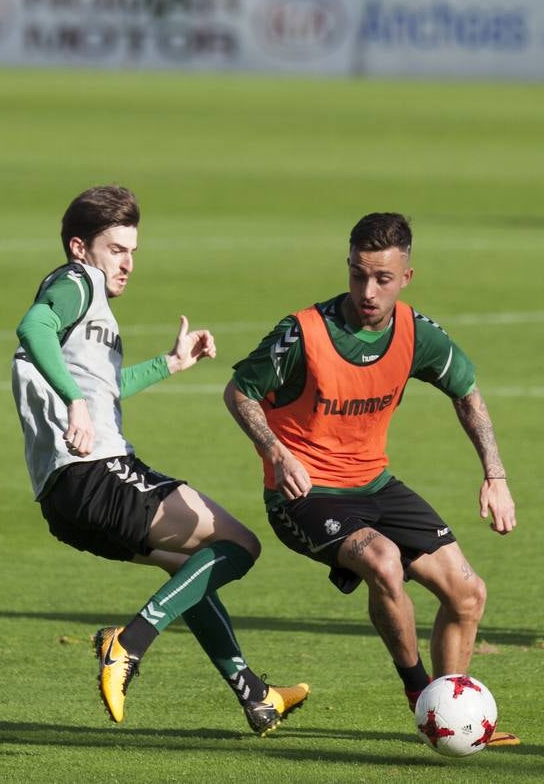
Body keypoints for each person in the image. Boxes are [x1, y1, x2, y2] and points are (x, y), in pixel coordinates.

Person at [11, 185, 310, 733]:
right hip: (95, 473)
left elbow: (102, 387)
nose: (126, 264)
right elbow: (33, 329)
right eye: (116, 249)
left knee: (187, 573)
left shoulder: (87, 298)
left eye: (132, 252)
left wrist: (169, 364)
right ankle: (127, 645)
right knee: (238, 545)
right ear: (80, 248)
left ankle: (256, 695)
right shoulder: (75, 282)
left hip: (65, 499)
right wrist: (75, 404)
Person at [223, 212, 521, 746]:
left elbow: (467, 393)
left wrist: (494, 474)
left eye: (382, 278)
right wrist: (275, 450)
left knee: (468, 593)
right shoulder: (302, 333)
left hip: (374, 485)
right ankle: (421, 697)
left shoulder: (415, 333)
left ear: (406, 277)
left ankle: (451, 719)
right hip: (303, 494)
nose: (367, 290)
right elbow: (240, 392)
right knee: (382, 560)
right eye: (359, 274)